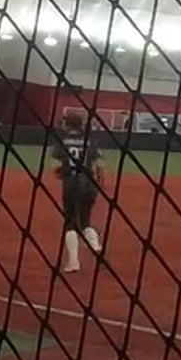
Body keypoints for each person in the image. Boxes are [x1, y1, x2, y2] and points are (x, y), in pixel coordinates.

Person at [51, 113, 106, 273]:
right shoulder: (90, 140)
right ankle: (95, 246)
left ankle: (73, 261)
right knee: (85, 219)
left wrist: (62, 174)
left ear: (68, 124)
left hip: (71, 183)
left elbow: (56, 167)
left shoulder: (62, 141)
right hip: (88, 183)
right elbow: (99, 165)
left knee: (70, 223)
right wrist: (99, 182)